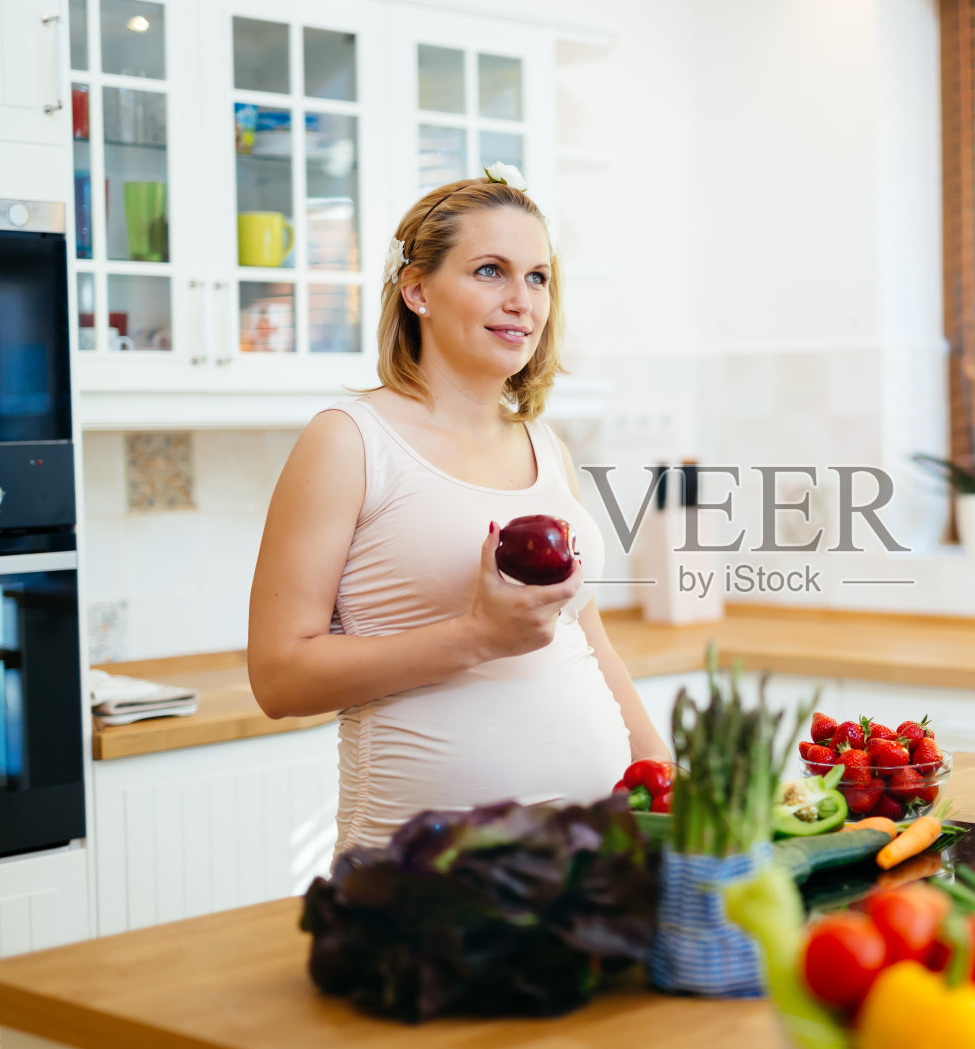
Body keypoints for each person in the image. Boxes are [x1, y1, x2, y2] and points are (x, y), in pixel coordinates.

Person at [247, 166, 669, 854]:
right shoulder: (349, 440)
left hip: (587, 859)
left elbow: (586, 635)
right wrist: (476, 636)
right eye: (490, 271)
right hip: (422, 880)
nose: (521, 300)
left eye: (538, 277)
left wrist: (657, 767)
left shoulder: (544, 444)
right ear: (417, 290)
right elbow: (277, 676)